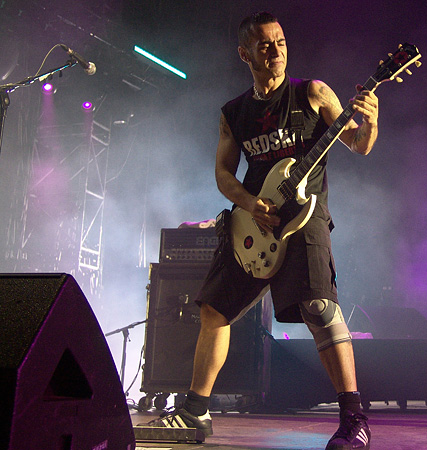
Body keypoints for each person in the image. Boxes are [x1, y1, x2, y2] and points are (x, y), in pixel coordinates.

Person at [149, 11, 378, 450]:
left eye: (281, 42)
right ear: (244, 53)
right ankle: (195, 411)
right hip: (251, 224)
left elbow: (360, 144)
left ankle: (354, 418)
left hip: (305, 220)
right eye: (265, 45)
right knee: (214, 311)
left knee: (318, 308)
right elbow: (222, 172)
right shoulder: (234, 113)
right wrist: (249, 203)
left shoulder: (312, 93)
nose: (275, 51)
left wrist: (371, 117)